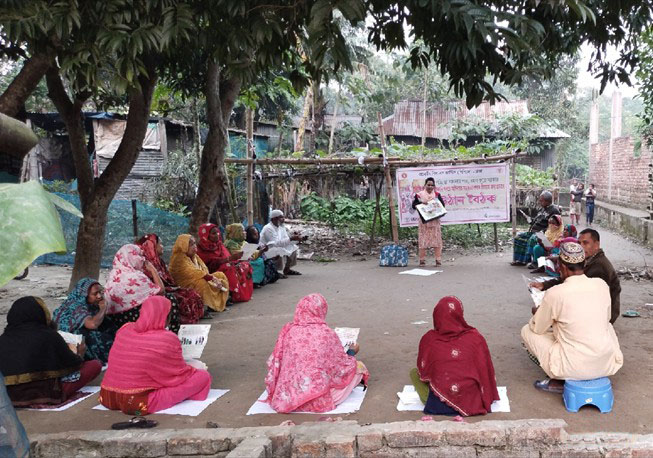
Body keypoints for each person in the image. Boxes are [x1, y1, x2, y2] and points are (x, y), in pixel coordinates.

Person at [521, 242, 623, 393]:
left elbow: (538, 328)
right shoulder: (601, 285)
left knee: (527, 331)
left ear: (561, 267)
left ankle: (558, 378)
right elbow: (606, 318)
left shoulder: (555, 293)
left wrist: (538, 312)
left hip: (571, 367)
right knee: (606, 325)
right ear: (584, 263)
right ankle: (588, 369)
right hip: (605, 364)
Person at [99, 296, 211, 415]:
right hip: (137, 404)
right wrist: (195, 368)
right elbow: (178, 375)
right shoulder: (167, 338)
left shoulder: (125, 329)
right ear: (166, 317)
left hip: (107, 398)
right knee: (202, 376)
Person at [265, 293, 369, 413]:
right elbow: (341, 367)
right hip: (318, 398)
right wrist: (351, 352)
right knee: (358, 368)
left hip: (287, 396)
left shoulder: (289, 331)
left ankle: (299, 396)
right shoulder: (326, 333)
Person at [1, 297, 102, 407]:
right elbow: (73, 365)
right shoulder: (49, 335)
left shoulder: (3, 338)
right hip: (46, 393)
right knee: (94, 365)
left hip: (8, 396)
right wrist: (80, 354)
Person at [410, 296, 499, 416]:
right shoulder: (476, 338)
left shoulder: (429, 339)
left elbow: (423, 370)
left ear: (436, 315)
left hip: (437, 404)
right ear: (459, 314)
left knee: (414, 373)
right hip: (472, 401)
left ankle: (439, 399)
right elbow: (485, 370)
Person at [530, 228, 621, 324]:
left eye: (585, 243)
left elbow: (580, 294)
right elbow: (571, 278)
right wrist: (544, 285)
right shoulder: (589, 260)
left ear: (596, 245)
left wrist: (550, 310)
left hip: (602, 316)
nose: (581, 246)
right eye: (579, 243)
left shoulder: (599, 267)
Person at [104, 244, 181, 333]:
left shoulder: (112, 276)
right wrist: (153, 270)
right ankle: (172, 333)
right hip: (137, 319)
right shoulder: (135, 276)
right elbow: (161, 291)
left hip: (119, 324)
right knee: (170, 299)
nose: (142, 259)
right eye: (139, 255)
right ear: (131, 257)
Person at [136, 234, 206, 323]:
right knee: (181, 297)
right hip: (156, 292)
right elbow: (153, 286)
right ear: (152, 246)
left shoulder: (159, 261)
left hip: (167, 288)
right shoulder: (145, 264)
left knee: (191, 293)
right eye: (160, 244)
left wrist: (174, 287)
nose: (162, 247)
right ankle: (176, 323)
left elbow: (168, 279)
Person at [53, 278, 117, 363]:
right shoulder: (75, 306)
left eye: (100, 292)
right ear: (84, 295)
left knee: (109, 324)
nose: (99, 296)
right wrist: (103, 308)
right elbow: (92, 324)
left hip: (78, 335)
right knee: (93, 337)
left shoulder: (90, 305)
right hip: (68, 341)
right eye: (95, 294)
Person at [169, 234, 230, 312]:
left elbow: (204, 270)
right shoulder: (179, 259)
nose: (194, 246)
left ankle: (219, 303)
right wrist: (212, 278)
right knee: (202, 283)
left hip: (197, 278)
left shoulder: (194, 256)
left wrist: (212, 278)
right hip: (184, 285)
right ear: (183, 246)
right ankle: (205, 307)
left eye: (194, 243)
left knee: (220, 275)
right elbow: (193, 272)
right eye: (191, 244)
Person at [198, 223, 253, 302]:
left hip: (226, 264)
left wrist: (237, 259)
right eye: (213, 233)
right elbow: (209, 265)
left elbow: (227, 258)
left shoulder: (219, 244)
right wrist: (229, 259)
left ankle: (243, 293)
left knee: (244, 265)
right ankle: (233, 294)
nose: (217, 235)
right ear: (205, 235)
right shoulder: (201, 248)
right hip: (212, 271)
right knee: (228, 267)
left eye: (217, 232)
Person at [511, 191, 560, 266]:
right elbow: (536, 221)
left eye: (541, 200)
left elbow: (555, 225)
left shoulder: (554, 210)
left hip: (544, 234)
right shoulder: (542, 209)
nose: (540, 202)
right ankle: (521, 260)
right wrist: (529, 219)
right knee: (518, 238)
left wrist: (542, 232)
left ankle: (535, 262)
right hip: (534, 231)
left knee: (533, 238)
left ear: (547, 201)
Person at [260, 209, 307, 278]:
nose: (283, 219)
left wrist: (299, 239)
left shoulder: (281, 227)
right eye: (281, 217)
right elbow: (275, 243)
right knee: (278, 250)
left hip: (277, 245)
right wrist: (291, 238)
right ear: (274, 219)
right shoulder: (268, 228)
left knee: (293, 247)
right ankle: (276, 271)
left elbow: (286, 241)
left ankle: (287, 269)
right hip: (266, 249)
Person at [412, 177, 446, 266]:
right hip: (424, 222)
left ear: (434, 186)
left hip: (435, 222)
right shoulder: (419, 195)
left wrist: (434, 204)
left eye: (432, 185)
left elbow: (443, 205)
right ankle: (422, 260)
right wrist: (422, 204)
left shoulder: (437, 195)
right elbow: (413, 205)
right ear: (425, 185)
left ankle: (438, 260)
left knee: (437, 240)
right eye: (428, 185)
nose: (430, 187)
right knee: (423, 240)